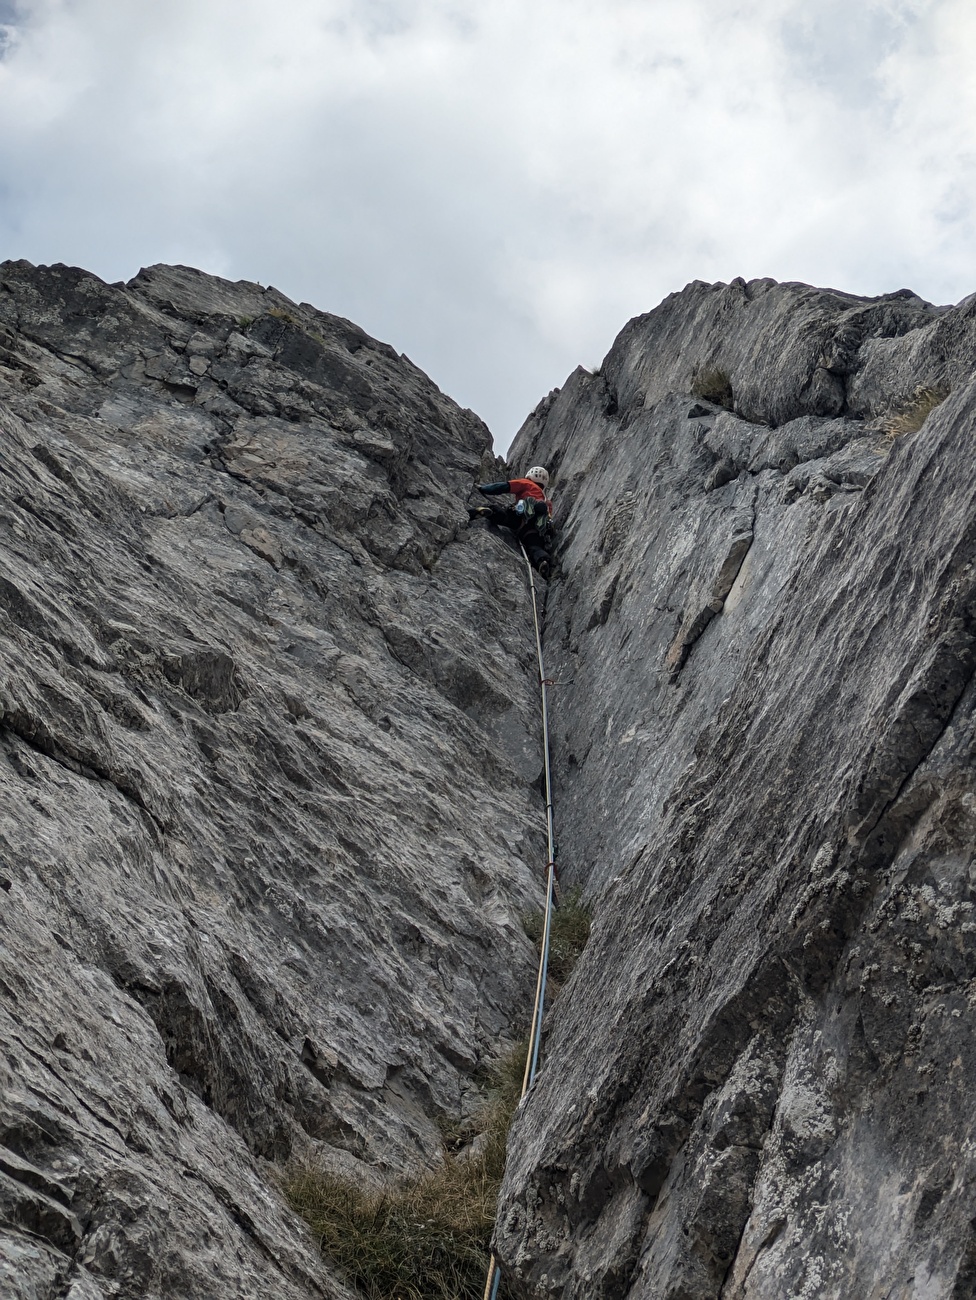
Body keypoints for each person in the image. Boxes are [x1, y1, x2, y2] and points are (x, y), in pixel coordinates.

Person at [468, 466, 553, 579]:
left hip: (521, 516)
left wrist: (483, 488)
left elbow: (503, 487)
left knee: (503, 515)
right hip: (534, 528)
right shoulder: (547, 502)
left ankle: (486, 511)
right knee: (534, 547)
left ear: (530, 475)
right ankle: (542, 561)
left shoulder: (527, 483)